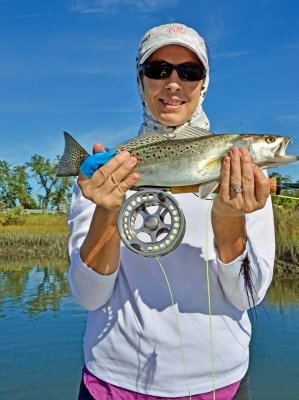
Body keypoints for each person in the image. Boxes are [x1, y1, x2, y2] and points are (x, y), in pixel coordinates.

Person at [68, 23, 274, 400]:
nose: (174, 83)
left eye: (189, 72)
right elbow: (88, 298)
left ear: (204, 83)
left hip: (219, 384)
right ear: (140, 80)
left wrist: (230, 218)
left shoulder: (246, 176)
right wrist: (106, 213)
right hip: (111, 383)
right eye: (158, 70)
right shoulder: (102, 174)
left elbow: (249, 296)